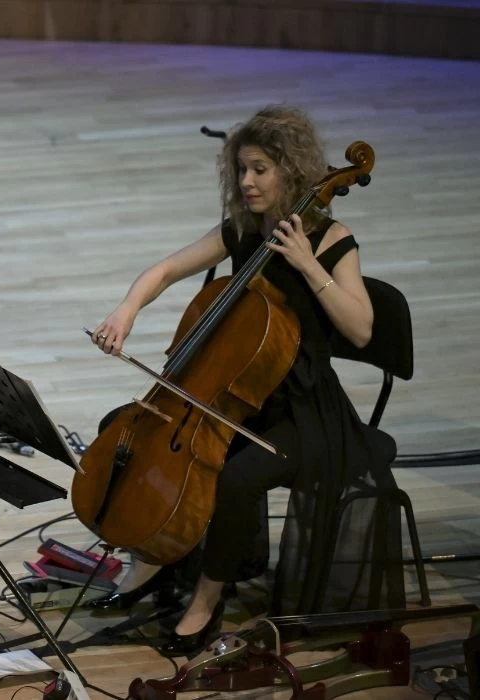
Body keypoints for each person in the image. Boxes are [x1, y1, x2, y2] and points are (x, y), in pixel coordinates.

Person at [84, 105, 404, 657]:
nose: (246, 182)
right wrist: (125, 311)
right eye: (241, 170)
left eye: (259, 169)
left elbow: (360, 328)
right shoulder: (242, 229)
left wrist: (308, 265)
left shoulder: (333, 240)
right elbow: (163, 271)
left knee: (233, 480)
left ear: (292, 170)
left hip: (304, 413)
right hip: (236, 399)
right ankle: (157, 556)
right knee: (128, 430)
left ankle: (205, 601)